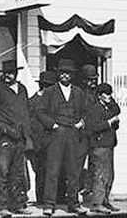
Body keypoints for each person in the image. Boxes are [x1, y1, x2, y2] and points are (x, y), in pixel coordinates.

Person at [36, 60, 89, 217]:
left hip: (73, 134)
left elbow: (86, 112)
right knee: (53, 170)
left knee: (73, 172)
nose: (65, 75)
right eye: (62, 72)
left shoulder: (79, 93)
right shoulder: (50, 92)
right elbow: (40, 111)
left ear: (72, 75)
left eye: (68, 73)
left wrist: (81, 123)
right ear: (58, 74)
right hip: (56, 134)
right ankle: (49, 204)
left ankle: (74, 204)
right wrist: (52, 125)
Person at [0, 60, 31, 218]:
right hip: (4, 138)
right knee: (2, 172)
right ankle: (0, 206)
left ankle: (17, 204)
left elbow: (26, 112)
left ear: (16, 73)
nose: (8, 75)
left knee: (18, 173)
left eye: (11, 72)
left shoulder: (22, 90)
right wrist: (4, 129)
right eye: (5, 73)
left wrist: (26, 134)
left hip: (20, 138)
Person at [85, 83, 120, 215]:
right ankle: (97, 203)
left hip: (109, 143)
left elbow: (117, 110)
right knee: (100, 174)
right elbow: (93, 126)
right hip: (99, 145)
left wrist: (111, 103)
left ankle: (105, 200)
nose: (109, 96)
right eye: (106, 93)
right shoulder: (95, 109)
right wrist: (109, 123)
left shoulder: (108, 107)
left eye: (110, 93)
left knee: (109, 174)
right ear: (100, 96)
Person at [25, 71, 56, 206]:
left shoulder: (53, 101)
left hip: (53, 142)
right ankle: (41, 200)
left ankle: (53, 199)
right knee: (41, 172)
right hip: (37, 143)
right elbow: (28, 124)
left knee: (53, 171)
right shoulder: (32, 102)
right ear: (44, 86)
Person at [77, 64, 99, 195]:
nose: (91, 82)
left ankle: (90, 188)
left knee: (94, 162)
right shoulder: (78, 93)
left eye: (93, 79)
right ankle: (77, 189)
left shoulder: (97, 93)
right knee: (78, 162)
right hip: (81, 133)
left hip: (94, 132)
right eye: (89, 79)